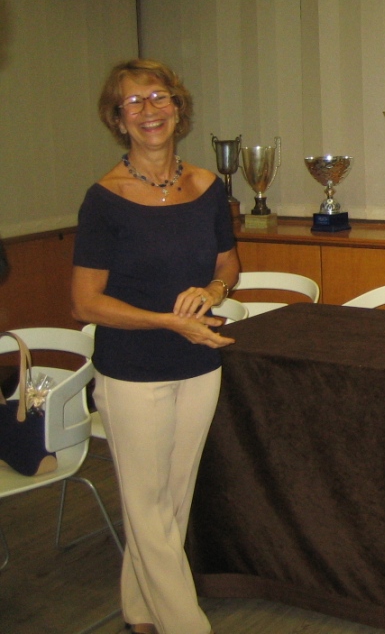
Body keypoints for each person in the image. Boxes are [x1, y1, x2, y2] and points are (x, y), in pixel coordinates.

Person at [71, 59, 239, 634]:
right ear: (118, 120)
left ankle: (140, 611)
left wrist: (212, 290)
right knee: (147, 511)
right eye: (134, 102)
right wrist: (168, 321)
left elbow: (228, 263)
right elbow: (85, 303)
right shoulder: (104, 199)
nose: (149, 110)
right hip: (131, 371)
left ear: (178, 108)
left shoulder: (208, 187)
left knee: (173, 501)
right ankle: (185, 625)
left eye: (159, 97)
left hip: (199, 361)